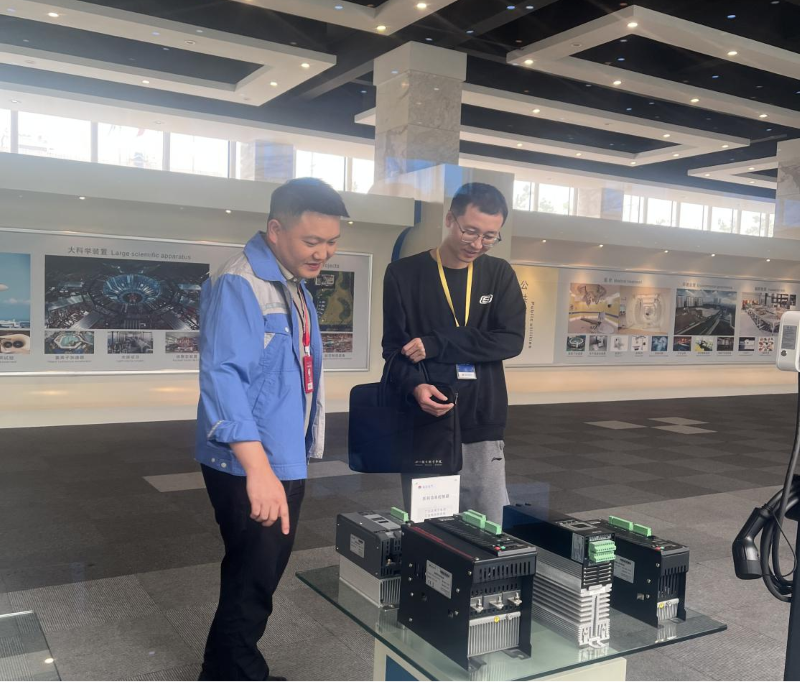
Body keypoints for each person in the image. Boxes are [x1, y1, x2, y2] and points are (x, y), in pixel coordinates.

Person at [195, 177, 348, 682]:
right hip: (253, 460)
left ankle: (226, 671)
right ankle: (237, 674)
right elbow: (223, 377)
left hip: (279, 453)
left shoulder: (290, 283)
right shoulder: (242, 282)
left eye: (332, 242)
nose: (322, 253)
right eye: (312, 241)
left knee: (252, 572)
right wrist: (259, 470)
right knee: (254, 578)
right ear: (276, 229)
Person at [382, 182, 525, 524]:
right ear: (450, 219)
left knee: (488, 525)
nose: (477, 244)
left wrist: (438, 343)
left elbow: (510, 340)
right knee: (430, 526)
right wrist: (415, 386)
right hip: (425, 418)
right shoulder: (404, 274)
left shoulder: (499, 273)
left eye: (489, 236)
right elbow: (394, 350)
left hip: (482, 418)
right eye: (470, 231)